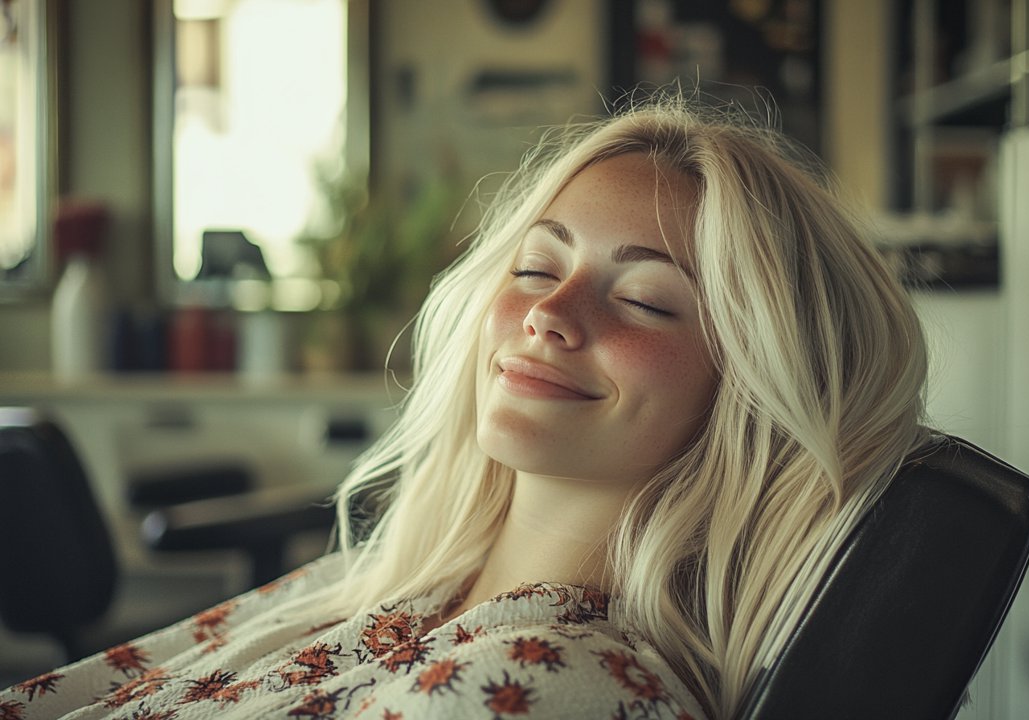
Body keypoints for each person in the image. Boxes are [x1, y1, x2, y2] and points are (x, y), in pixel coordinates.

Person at [1, 94, 927, 719]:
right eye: (535, 266)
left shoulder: (546, 683)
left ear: (755, 388)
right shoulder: (373, 581)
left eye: (644, 300)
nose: (550, 316)